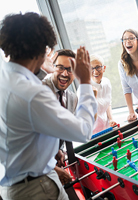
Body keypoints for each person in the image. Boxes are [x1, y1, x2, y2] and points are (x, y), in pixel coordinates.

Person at [0, 12, 97, 200]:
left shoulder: (4, 78)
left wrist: (51, 156)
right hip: (35, 189)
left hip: (15, 185)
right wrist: (85, 81)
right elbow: (84, 131)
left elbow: (20, 135)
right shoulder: (33, 93)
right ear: (42, 50)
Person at [90, 54, 117, 134]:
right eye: (91, 68)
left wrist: (111, 119)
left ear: (104, 68)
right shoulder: (84, 89)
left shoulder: (107, 82)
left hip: (107, 129)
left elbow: (108, 104)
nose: (95, 71)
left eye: (98, 67)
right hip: (93, 134)